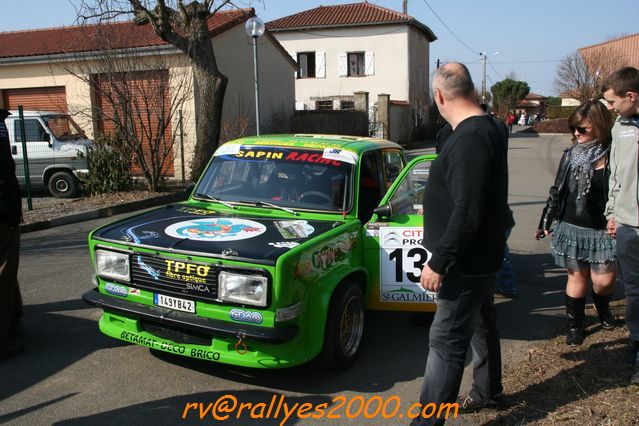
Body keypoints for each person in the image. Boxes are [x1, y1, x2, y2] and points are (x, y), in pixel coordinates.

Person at [413, 63, 509, 424]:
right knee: (483, 324)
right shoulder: (486, 128)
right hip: (480, 256)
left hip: (464, 263)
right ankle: (488, 390)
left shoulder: (470, 138)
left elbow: (467, 211)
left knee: (445, 343)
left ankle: (428, 419)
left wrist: (439, 261)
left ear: (439, 96)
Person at [535, 100, 616, 347]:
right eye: (574, 129)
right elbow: (557, 190)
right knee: (576, 276)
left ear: (600, 127)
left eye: (583, 129)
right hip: (571, 225)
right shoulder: (571, 156)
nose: (576, 134)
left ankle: (603, 308)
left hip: (603, 229)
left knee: (604, 281)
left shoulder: (615, 155)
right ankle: (575, 327)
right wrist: (546, 218)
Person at [601, 66, 639, 385]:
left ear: (631, 96)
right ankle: (637, 343)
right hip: (628, 224)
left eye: (612, 102)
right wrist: (612, 213)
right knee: (635, 292)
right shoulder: (620, 126)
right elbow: (615, 173)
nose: (610, 108)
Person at [0, 108, 23, 360]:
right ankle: (3, 339)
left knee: (8, 271)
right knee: (4, 273)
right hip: (3, 213)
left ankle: (15, 319)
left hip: (6, 211)